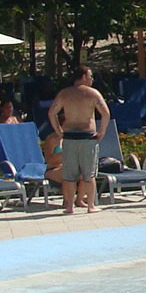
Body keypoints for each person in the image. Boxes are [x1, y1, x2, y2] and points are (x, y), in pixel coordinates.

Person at [49, 65, 109, 215]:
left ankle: (70, 207)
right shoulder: (93, 94)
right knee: (89, 174)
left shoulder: (65, 93)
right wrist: (102, 131)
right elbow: (106, 113)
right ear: (83, 77)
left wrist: (59, 131)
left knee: (69, 175)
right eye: (90, 76)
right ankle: (90, 205)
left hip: (69, 137)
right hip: (87, 137)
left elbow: (51, 113)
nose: (92, 79)